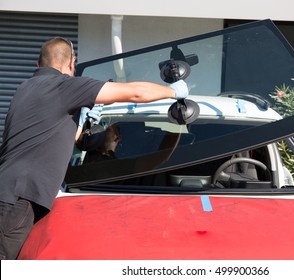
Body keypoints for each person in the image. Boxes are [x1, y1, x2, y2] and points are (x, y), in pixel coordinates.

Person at [0, 37, 189, 259]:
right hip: (19, 198)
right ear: (72, 64)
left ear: (37, 64)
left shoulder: (25, 88)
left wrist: (80, 125)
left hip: (9, 192)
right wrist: (173, 92)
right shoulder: (64, 86)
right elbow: (136, 93)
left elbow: (54, 136)